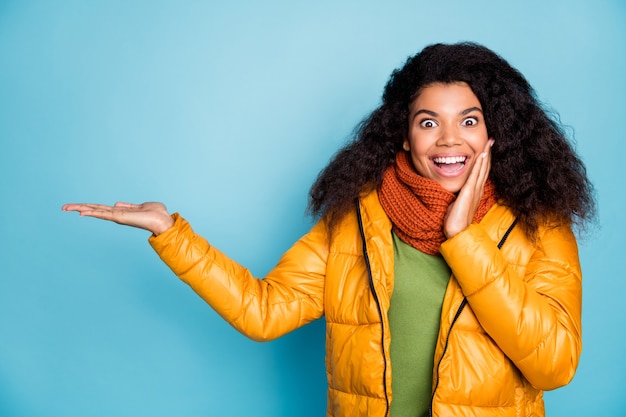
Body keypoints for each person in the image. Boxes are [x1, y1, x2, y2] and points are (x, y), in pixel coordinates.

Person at [62, 42, 596, 417]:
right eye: (428, 122)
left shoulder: (539, 224)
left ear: (493, 134)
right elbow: (263, 311)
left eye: (469, 120)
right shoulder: (354, 220)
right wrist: (170, 232)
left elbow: (553, 366)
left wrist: (465, 238)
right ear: (404, 138)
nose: (448, 139)